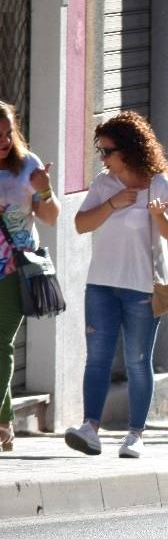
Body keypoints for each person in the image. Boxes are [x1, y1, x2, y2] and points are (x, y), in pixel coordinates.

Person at [66, 113, 168, 457]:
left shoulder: (160, 185)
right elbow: (81, 225)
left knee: (136, 360)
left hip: (142, 288)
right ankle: (90, 428)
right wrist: (113, 203)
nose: (102, 157)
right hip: (101, 284)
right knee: (97, 359)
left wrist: (158, 215)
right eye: (100, 150)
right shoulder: (103, 184)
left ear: (128, 150)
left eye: (107, 150)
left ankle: (135, 434)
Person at [0, 101, 59, 452]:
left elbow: (50, 216)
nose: (5, 141)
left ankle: (2, 419)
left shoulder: (28, 167)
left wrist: (46, 189)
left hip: (15, 269)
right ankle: (4, 420)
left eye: (8, 134)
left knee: (2, 342)